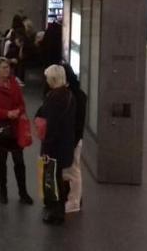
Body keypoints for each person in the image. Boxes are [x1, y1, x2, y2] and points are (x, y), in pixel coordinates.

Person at [0, 58, 33, 204]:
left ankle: (23, 192)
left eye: (8, 67)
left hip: (14, 128)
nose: (7, 70)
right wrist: (6, 113)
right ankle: (3, 191)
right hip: (0, 129)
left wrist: (18, 111)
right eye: (4, 67)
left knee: (19, 160)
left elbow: (21, 103)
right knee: (1, 160)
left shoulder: (14, 84)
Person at [35, 65, 76, 225]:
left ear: (52, 79)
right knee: (59, 176)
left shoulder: (54, 97)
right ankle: (58, 208)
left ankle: (57, 212)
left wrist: (46, 148)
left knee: (53, 177)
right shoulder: (69, 95)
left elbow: (51, 125)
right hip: (65, 143)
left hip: (55, 146)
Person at [62, 62, 87, 213]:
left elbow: (78, 122)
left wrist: (73, 141)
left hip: (73, 139)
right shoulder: (75, 93)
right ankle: (73, 197)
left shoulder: (75, 95)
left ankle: (75, 201)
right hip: (71, 138)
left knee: (73, 170)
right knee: (70, 170)